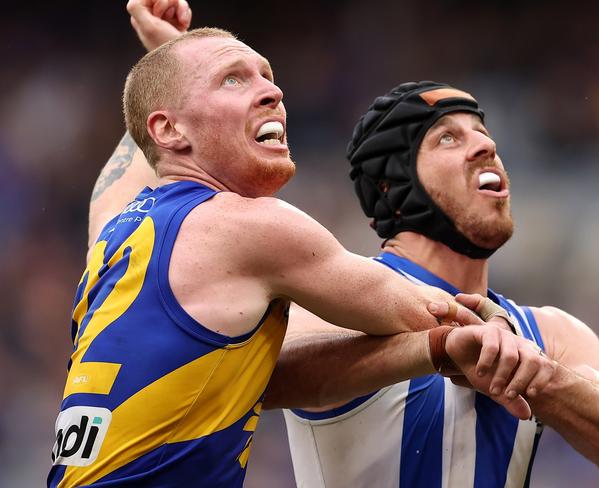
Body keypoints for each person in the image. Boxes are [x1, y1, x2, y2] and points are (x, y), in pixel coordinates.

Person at [48, 1, 551, 488]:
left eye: (267, 76)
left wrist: (168, 51)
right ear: (169, 127)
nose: (273, 92)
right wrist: (498, 325)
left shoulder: (114, 230)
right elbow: (431, 315)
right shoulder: (249, 226)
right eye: (234, 79)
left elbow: (136, 156)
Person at [274, 85, 599, 485]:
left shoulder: (551, 334)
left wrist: (533, 372)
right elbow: (276, 376)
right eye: (447, 138)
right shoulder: (334, 298)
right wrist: (437, 348)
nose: (485, 146)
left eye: (483, 134)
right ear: (393, 185)